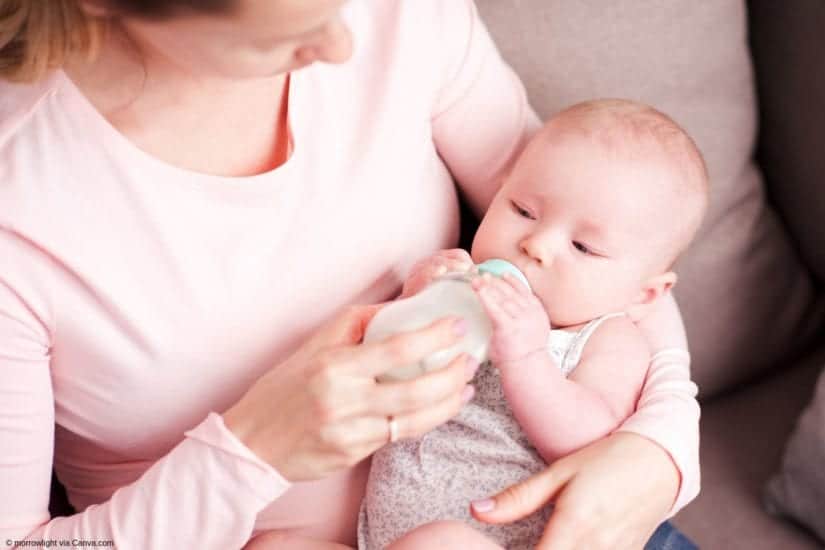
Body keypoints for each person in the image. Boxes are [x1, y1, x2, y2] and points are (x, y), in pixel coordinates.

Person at [0, 1, 699, 549]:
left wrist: (659, 450)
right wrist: (250, 450)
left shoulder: (398, 15)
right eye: (288, 30)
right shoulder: (21, 206)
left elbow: (607, 236)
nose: (342, 47)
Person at [353, 99, 707, 550]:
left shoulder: (608, 339)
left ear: (645, 294)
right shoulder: (462, 292)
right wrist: (415, 303)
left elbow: (589, 443)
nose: (535, 244)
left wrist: (527, 357)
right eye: (522, 210)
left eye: (583, 246)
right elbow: (384, 375)